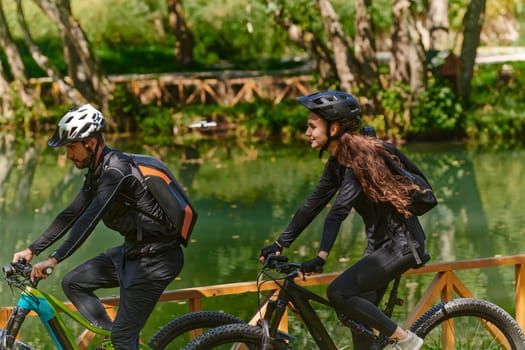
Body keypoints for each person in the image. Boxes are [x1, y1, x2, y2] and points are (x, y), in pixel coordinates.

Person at [259, 90, 433, 350]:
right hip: (380, 246)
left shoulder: (359, 161)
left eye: (312, 126)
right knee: (358, 324)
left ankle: (406, 340)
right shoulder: (337, 163)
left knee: (338, 292)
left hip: (402, 244)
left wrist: (321, 256)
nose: (307, 132)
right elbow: (312, 205)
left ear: (334, 127)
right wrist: (279, 244)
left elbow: (339, 211)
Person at [12, 104, 184, 349]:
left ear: (90, 142)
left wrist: (54, 259)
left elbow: (89, 219)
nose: (68, 154)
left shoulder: (117, 171)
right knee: (73, 283)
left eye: (71, 147)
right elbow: (72, 213)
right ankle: (112, 339)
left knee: (124, 338)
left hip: (156, 260)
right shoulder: (98, 172)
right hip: (133, 252)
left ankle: (121, 340)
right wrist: (32, 249)